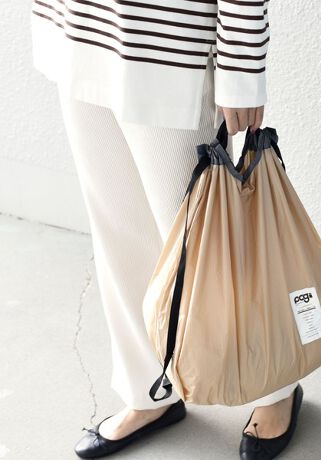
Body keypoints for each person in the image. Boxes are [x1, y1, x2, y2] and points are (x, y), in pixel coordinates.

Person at [30, 1, 303, 458]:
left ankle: (276, 387)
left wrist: (242, 64)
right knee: (120, 230)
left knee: (209, 250)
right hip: (80, 24)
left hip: (168, 43)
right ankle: (148, 388)